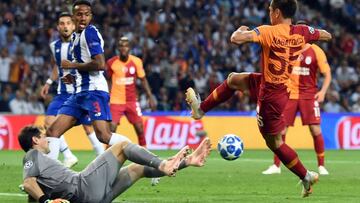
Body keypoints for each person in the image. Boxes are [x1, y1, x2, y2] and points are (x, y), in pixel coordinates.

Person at [185, 0, 331, 197]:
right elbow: (326, 35)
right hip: (273, 85)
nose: (269, 13)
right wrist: (308, 37)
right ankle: (200, 109)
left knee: (275, 143)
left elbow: (236, 39)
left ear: (277, 13)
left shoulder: (268, 31)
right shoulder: (301, 32)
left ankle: (305, 176)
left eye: (270, 10)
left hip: (270, 96)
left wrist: (240, 29)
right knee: (233, 79)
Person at [19, 125, 211, 203]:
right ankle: (163, 165)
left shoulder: (40, 165)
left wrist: (43, 199)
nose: (47, 140)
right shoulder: (32, 156)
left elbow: (31, 190)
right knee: (122, 146)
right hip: (83, 187)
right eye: (43, 137)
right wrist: (46, 201)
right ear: (35, 141)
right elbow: (29, 183)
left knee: (137, 169)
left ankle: (188, 161)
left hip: (92, 198)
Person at [45, 0, 128, 159]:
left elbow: (100, 64)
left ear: (91, 16)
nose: (83, 18)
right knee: (52, 131)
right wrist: (73, 75)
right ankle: (50, 176)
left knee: (103, 135)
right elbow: (83, 64)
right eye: (79, 14)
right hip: (79, 92)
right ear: (73, 16)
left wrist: (72, 65)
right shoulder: (76, 37)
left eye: (86, 14)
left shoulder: (90, 32)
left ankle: (137, 151)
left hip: (94, 91)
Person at [262, 22, 331, 176]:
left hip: (309, 95)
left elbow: (327, 73)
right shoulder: (288, 48)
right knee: (281, 129)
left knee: (315, 129)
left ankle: (321, 166)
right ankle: (276, 166)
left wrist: (323, 92)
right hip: (290, 94)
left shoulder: (316, 51)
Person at [40, 12, 104, 167]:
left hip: (80, 91)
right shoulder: (54, 46)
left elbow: (91, 63)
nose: (65, 26)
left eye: (68, 23)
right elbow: (58, 65)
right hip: (63, 93)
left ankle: (102, 157)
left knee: (90, 128)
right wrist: (49, 82)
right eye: (62, 23)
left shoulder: (80, 42)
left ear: (73, 25)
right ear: (58, 27)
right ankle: (67, 156)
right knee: (49, 123)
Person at [106, 36, 156, 147]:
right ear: (118, 48)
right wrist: (107, 96)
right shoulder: (111, 63)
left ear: (130, 48)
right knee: (112, 129)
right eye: (121, 46)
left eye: (126, 46)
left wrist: (150, 97)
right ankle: (107, 158)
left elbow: (143, 80)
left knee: (139, 128)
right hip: (116, 100)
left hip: (132, 100)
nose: (124, 48)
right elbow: (107, 80)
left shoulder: (136, 61)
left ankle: (145, 155)